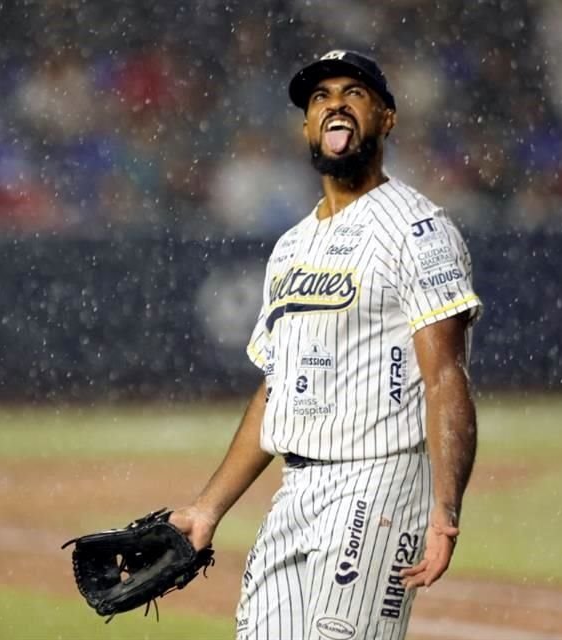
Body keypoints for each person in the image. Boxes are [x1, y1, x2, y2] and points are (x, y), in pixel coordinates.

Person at [169, 50, 482, 639]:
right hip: (296, 490)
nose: (334, 102)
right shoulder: (290, 246)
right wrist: (208, 508)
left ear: (386, 118)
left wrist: (445, 509)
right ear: (307, 127)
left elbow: (445, 377)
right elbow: (276, 391)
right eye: (319, 97)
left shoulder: (420, 230)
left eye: (353, 92)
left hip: (380, 480)